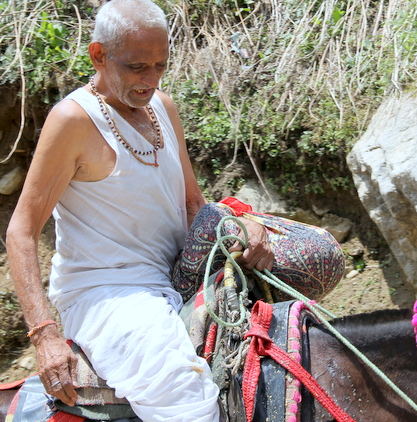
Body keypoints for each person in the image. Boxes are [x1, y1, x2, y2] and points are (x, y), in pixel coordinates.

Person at [5, 1, 275, 420]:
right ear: (98, 55)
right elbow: (21, 231)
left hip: (179, 271)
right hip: (109, 294)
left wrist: (241, 225)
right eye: (136, 67)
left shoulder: (163, 108)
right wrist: (44, 336)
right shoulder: (72, 121)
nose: (150, 80)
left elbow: (192, 205)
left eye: (160, 66)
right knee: (185, 398)